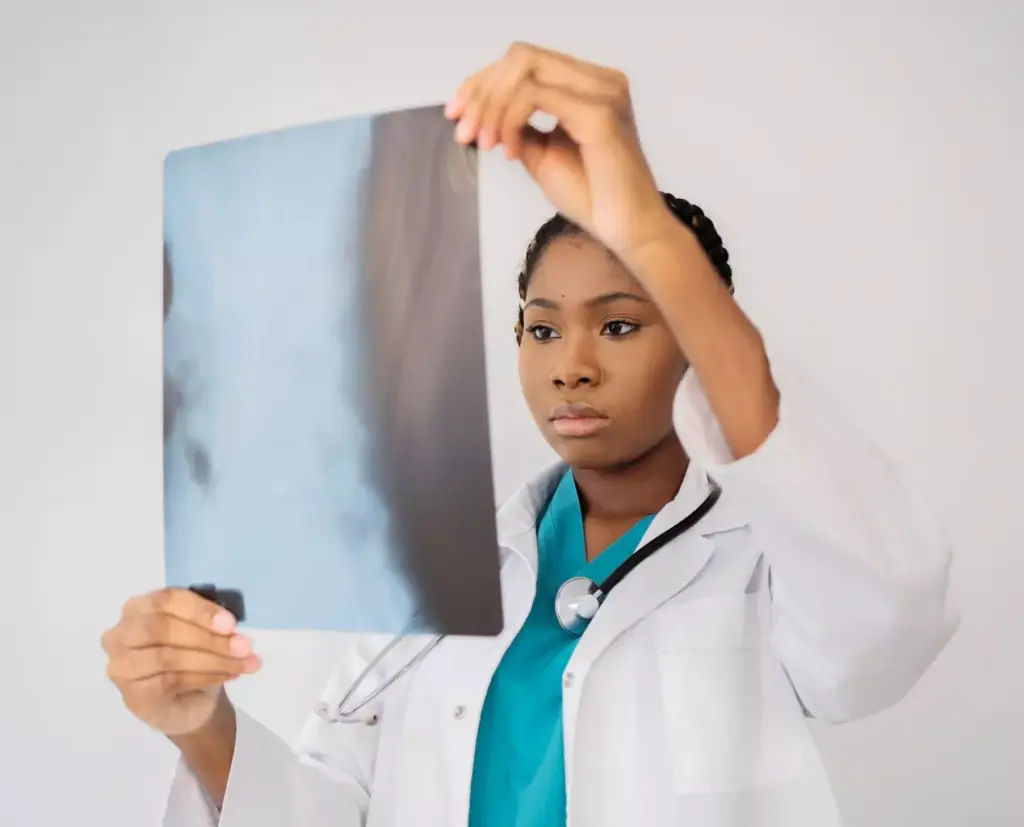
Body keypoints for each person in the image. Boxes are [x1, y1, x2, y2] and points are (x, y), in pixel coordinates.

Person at [101, 43, 959, 827]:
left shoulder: (768, 565)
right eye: (542, 329)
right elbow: (339, 807)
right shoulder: (431, 578)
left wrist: (650, 236)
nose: (569, 367)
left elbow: (893, 611)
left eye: (619, 325)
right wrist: (204, 727)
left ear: (694, 344)